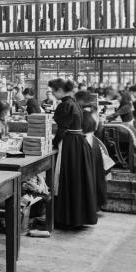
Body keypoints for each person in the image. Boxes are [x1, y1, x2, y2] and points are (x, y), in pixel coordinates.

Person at [50, 79, 100, 228]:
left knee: (66, 178)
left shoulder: (65, 105)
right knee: (76, 179)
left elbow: (62, 129)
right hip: (78, 143)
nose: (52, 94)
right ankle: (76, 216)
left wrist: (52, 144)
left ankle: (67, 217)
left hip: (70, 144)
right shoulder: (75, 103)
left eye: (53, 91)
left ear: (59, 90)